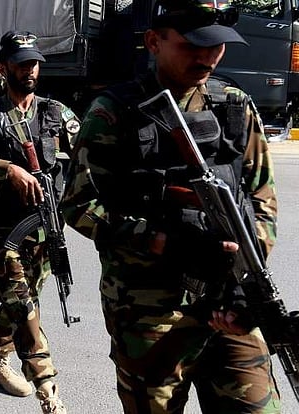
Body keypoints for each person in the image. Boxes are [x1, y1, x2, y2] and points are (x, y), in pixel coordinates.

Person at [61, 1, 281, 413]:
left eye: (216, 46)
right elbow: (79, 204)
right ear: (153, 42)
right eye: (192, 46)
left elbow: (261, 199)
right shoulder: (114, 111)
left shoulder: (234, 105)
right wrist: (162, 242)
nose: (207, 57)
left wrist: (245, 280)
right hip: (149, 307)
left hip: (226, 300)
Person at [0, 30, 80, 414]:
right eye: (22, 64)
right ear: (5, 67)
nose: (30, 70)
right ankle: (48, 389)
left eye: (34, 63)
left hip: (45, 228)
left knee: (22, 299)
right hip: (7, 231)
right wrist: (7, 169)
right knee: (23, 306)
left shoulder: (56, 113)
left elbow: (89, 153)